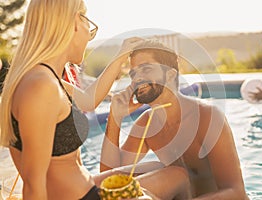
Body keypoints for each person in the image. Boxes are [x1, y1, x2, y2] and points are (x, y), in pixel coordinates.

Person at [0, 1, 189, 199]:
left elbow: (88, 101)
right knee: (180, 179)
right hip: (84, 196)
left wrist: (120, 57)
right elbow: (33, 184)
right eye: (89, 25)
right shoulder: (41, 87)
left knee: (171, 171)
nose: (89, 37)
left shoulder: (44, 77)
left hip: (83, 185)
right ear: (74, 22)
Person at [100, 39, 249, 199]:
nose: (137, 78)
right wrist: (115, 117)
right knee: (157, 171)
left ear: (170, 74)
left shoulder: (207, 118)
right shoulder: (146, 124)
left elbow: (237, 193)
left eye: (146, 69)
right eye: (133, 73)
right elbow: (110, 181)